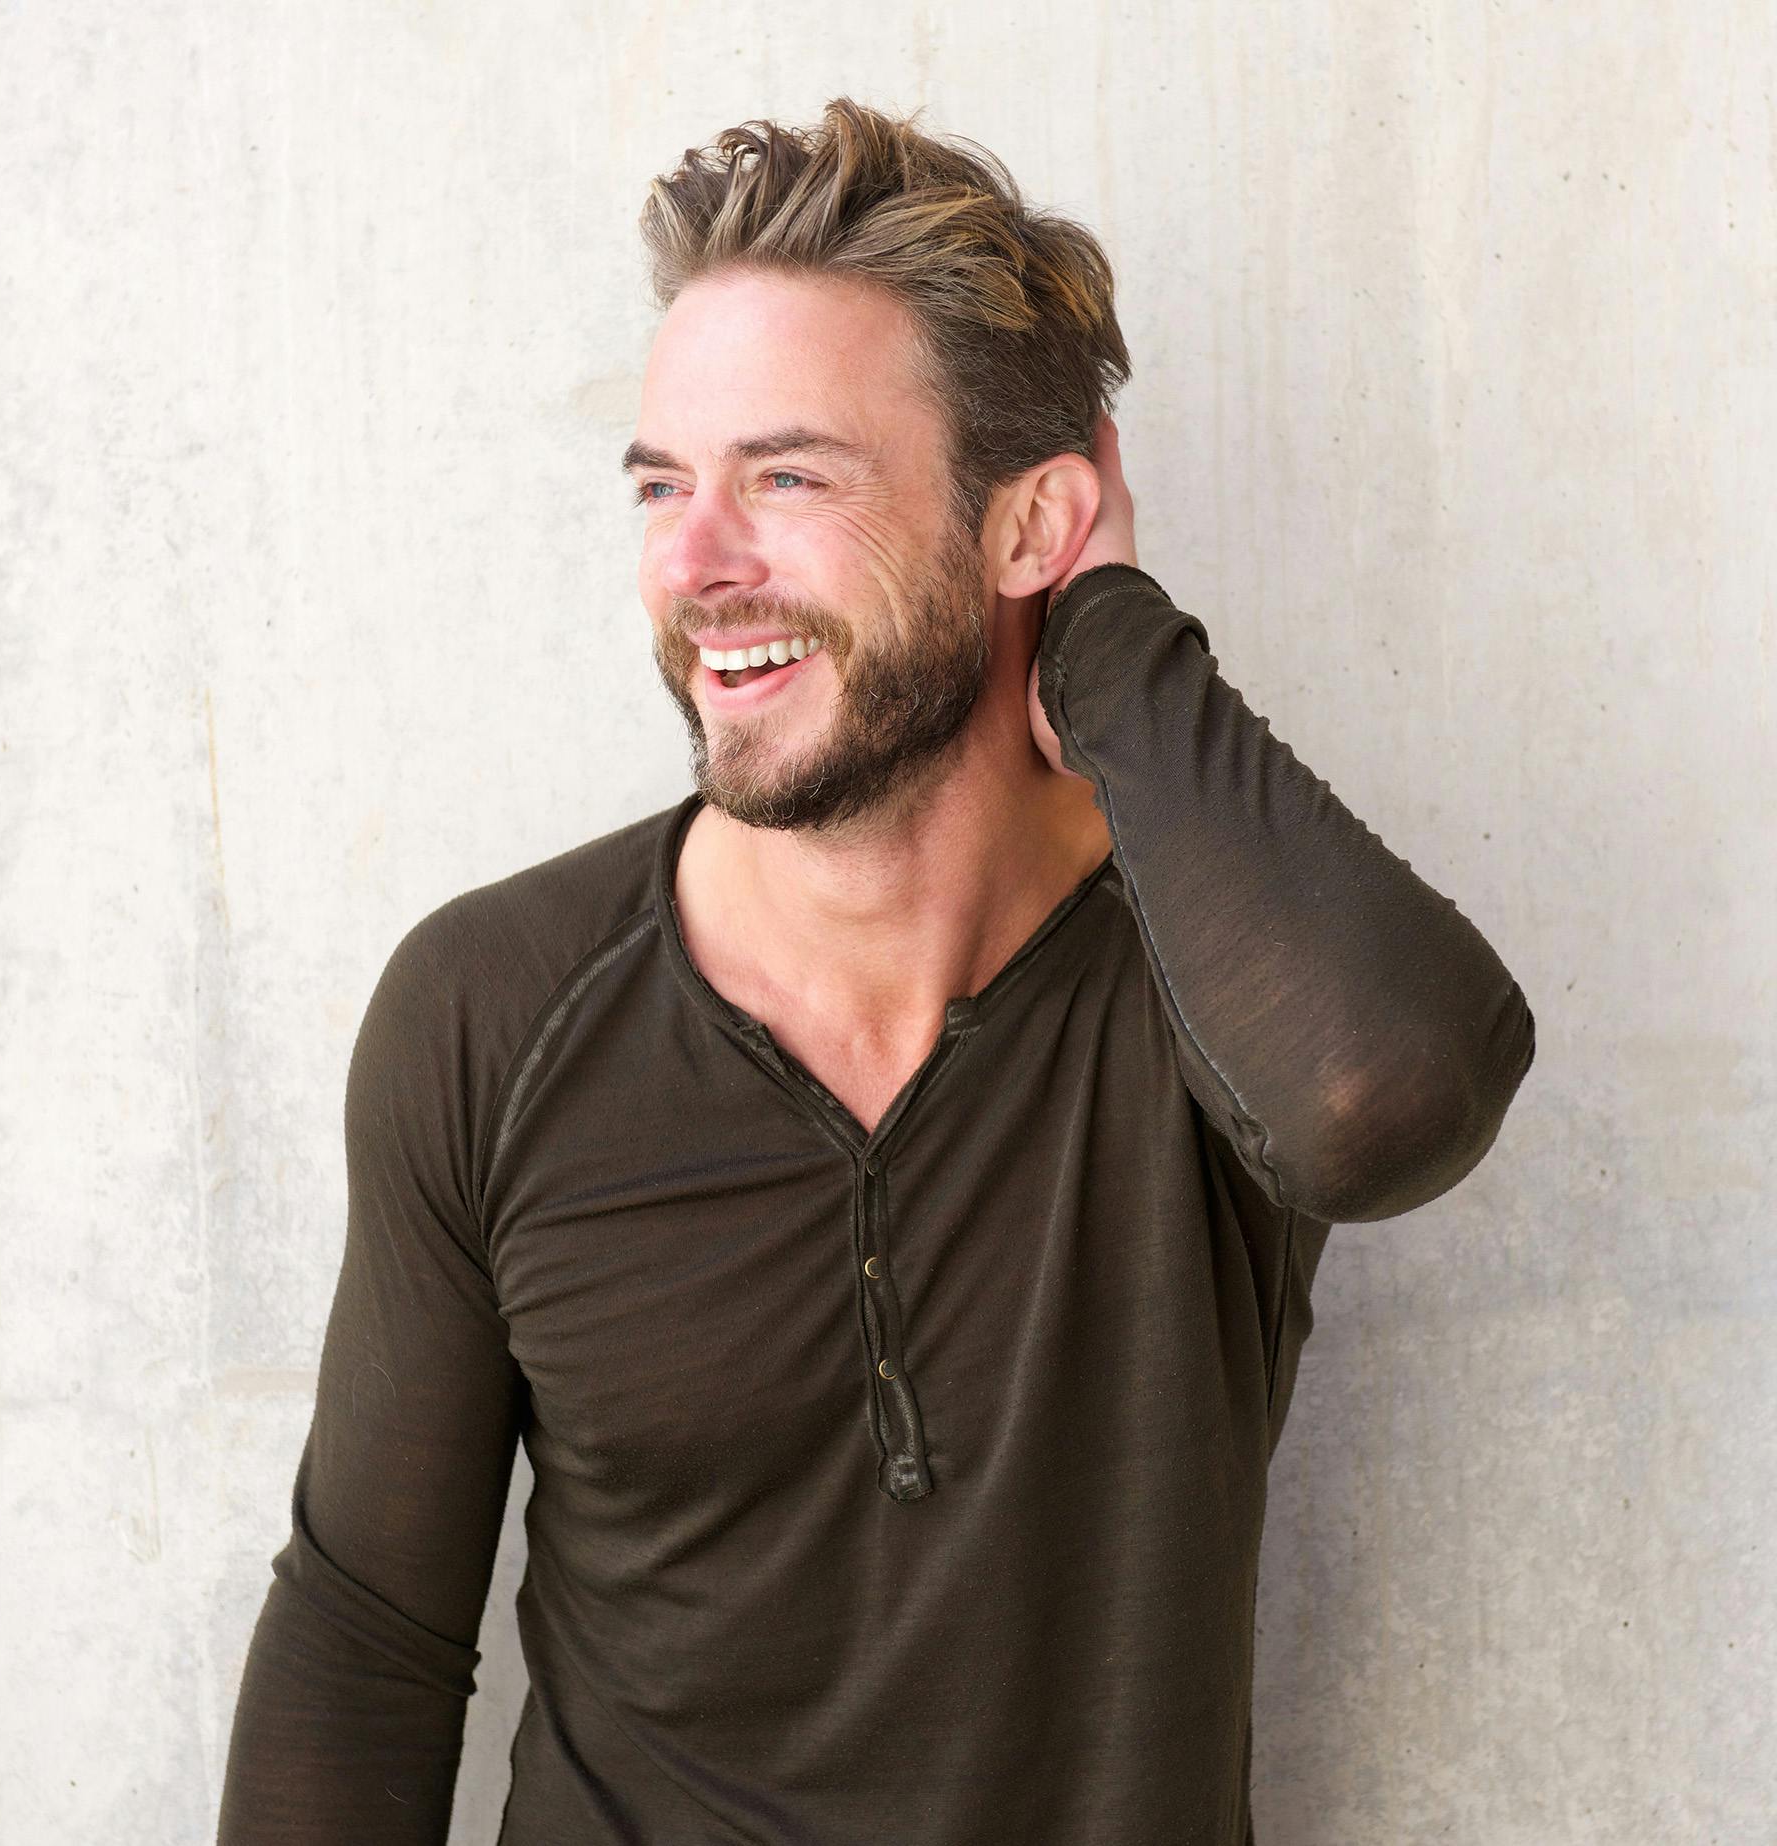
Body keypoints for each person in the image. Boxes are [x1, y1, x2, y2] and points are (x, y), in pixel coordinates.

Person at [217, 98, 1536, 1845]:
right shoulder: (493, 1008)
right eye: (665, 487)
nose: (695, 566)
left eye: (788, 476)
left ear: (1026, 528)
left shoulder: (1209, 964)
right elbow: (364, 1648)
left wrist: (1115, 642)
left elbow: (1394, 1097)